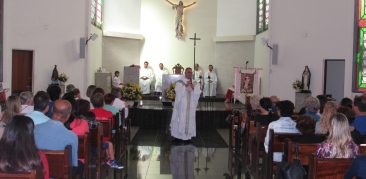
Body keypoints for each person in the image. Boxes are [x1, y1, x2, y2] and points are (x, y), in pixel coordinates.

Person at [34, 100, 81, 176]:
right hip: (61, 174)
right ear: (68, 116)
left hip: (40, 173)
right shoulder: (72, 136)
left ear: (52, 110)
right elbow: (73, 164)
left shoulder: (35, 129)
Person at [170, 67, 201, 141]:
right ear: (185, 73)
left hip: (191, 106)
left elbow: (198, 93)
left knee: (190, 119)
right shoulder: (180, 82)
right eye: (188, 72)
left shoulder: (195, 82)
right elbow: (177, 91)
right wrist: (185, 86)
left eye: (191, 72)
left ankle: (189, 137)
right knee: (181, 118)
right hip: (182, 105)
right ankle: (178, 136)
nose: (190, 74)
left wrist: (193, 88)